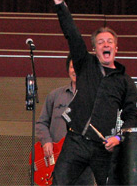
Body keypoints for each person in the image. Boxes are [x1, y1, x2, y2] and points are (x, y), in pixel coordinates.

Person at [46, 0, 137, 185]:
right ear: (95, 49)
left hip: (103, 146)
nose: (105, 44)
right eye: (100, 42)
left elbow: (131, 117)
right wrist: (58, 0)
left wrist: (119, 139)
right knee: (59, 182)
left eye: (109, 42)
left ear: (116, 48)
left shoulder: (125, 82)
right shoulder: (85, 64)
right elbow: (71, 33)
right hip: (76, 141)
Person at [36, 54, 94, 185]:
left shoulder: (95, 97)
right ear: (68, 69)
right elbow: (41, 123)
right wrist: (46, 141)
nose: (75, 70)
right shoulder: (55, 96)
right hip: (58, 162)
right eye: (73, 67)